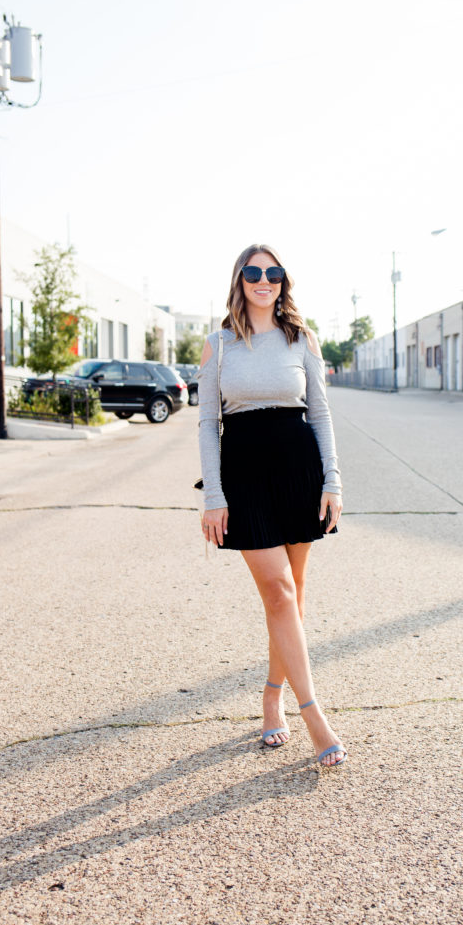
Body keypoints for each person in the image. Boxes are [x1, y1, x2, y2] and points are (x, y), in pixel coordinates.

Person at [197, 243, 347, 768]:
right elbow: (207, 425)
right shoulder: (218, 345)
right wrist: (213, 496)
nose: (264, 280)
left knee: (293, 596)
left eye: (273, 272)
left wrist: (333, 481)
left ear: (283, 281)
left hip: (298, 469)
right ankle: (313, 715)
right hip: (244, 475)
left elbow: (322, 414)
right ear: (239, 280)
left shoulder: (301, 339)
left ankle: (271, 695)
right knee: (280, 591)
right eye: (254, 272)